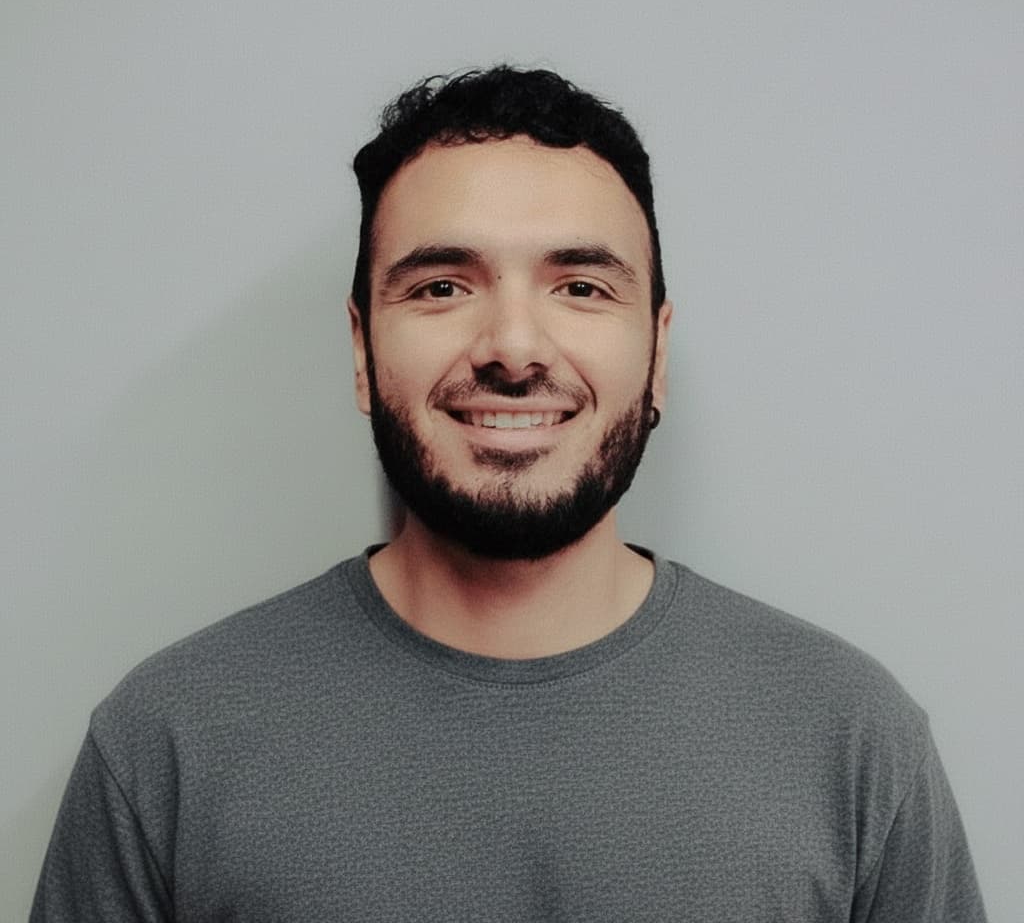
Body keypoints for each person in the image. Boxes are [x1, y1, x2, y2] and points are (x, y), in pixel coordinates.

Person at [31, 67, 987, 921]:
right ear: (362, 350)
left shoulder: (852, 740)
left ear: (657, 352)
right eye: (443, 287)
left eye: (582, 287)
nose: (515, 349)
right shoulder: (167, 744)